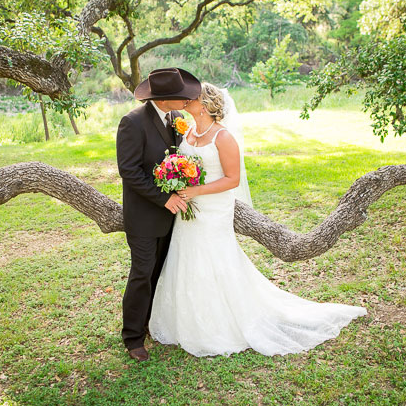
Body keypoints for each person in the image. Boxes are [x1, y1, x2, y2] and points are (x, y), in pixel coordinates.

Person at [148, 82, 367, 357]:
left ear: (203, 104)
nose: (184, 99)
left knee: (213, 258)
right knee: (187, 257)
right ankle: (185, 321)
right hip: (189, 209)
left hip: (213, 208)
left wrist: (196, 190)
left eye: (190, 97)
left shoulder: (223, 137)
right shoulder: (189, 130)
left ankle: (221, 322)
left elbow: (232, 179)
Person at [115, 67, 201, 362]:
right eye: (182, 97)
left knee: (159, 272)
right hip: (143, 216)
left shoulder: (176, 119)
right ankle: (133, 337)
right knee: (142, 274)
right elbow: (129, 171)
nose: (187, 101)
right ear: (164, 99)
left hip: (171, 217)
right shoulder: (132, 122)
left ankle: (150, 323)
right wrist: (164, 198)